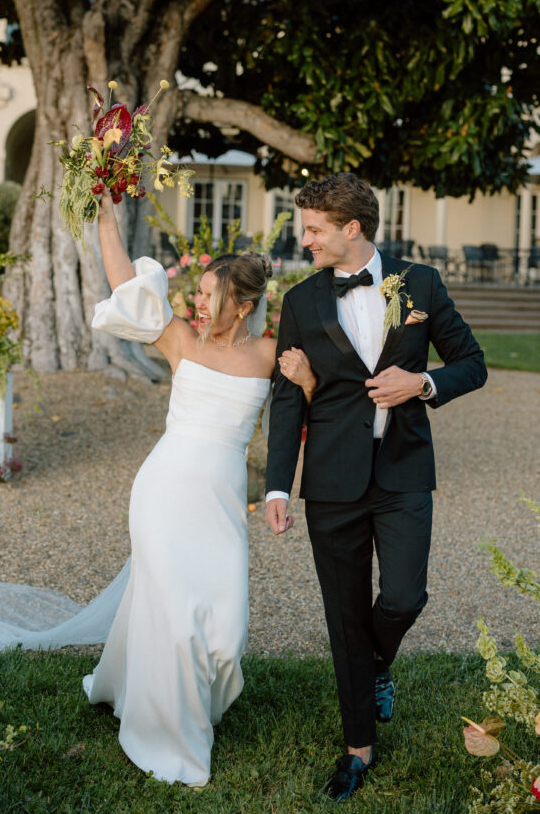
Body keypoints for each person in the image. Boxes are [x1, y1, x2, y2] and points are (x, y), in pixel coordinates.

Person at [265, 172, 487, 802]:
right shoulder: (301, 301)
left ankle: (377, 664)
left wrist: (422, 384)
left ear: (351, 228)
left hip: (404, 471)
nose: (303, 239)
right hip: (331, 479)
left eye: (313, 229)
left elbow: (473, 363)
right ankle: (358, 746)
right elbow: (287, 399)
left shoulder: (420, 284)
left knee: (405, 595)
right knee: (343, 615)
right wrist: (278, 486)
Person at [82, 189, 316, 787]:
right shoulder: (180, 340)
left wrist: (309, 385)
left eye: (210, 295)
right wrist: (105, 215)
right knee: (173, 613)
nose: (198, 302)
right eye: (200, 295)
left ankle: (174, 696)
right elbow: (123, 285)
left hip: (218, 500)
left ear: (242, 304)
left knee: (225, 628)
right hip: (162, 491)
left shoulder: (270, 355)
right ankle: (167, 732)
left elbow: (310, 415)